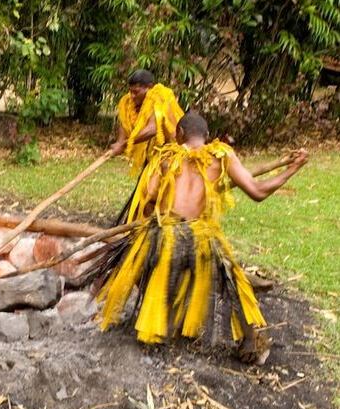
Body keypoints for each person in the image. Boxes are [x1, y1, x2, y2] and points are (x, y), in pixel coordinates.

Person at [90, 111, 308, 364]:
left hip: (167, 233)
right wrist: (292, 170)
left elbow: (149, 198)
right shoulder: (221, 154)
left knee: (154, 269)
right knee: (232, 281)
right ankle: (250, 340)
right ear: (206, 136)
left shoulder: (166, 156)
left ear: (179, 134)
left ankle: (155, 329)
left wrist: (149, 228)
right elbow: (258, 191)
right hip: (202, 235)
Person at [110, 69, 185, 174]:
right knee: (146, 185)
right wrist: (119, 142)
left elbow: (152, 129)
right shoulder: (129, 100)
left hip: (174, 150)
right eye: (130, 91)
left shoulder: (159, 96)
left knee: (163, 181)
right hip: (153, 153)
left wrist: (126, 143)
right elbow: (124, 120)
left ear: (149, 87)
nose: (132, 95)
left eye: (136, 92)